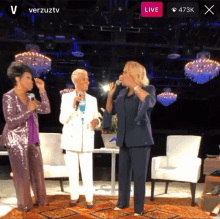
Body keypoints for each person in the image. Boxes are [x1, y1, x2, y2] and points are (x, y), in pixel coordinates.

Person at [103, 61, 156, 216]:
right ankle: (123, 202)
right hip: (124, 139)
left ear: (134, 74)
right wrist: (110, 95)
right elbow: (110, 111)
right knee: (123, 174)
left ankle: (138, 209)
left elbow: (149, 102)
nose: (122, 75)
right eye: (123, 72)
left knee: (139, 176)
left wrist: (134, 85)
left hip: (141, 139)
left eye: (126, 72)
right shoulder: (121, 93)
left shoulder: (148, 89)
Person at [2, 61, 51, 212]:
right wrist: (29, 111)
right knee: (22, 174)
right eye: (28, 78)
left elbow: (46, 109)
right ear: (18, 78)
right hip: (16, 140)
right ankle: (25, 204)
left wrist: (42, 90)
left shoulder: (31, 97)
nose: (31, 81)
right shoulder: (8, 97)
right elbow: (11, 122)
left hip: (32, 139)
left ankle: (41, 201)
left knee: (38, 171)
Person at [59, 69, 100, 208]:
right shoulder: (66, 97)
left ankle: (89, 198)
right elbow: (62, 119)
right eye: (84, 79)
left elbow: (96, 117)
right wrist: (73, 105)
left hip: (87, 139)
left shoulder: (93, 100)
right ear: (75, 80)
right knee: (73, 172)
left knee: (88, 173)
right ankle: (74, 197)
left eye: (87, 79)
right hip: (71, 140)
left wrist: (97, 122)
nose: (87, 81)